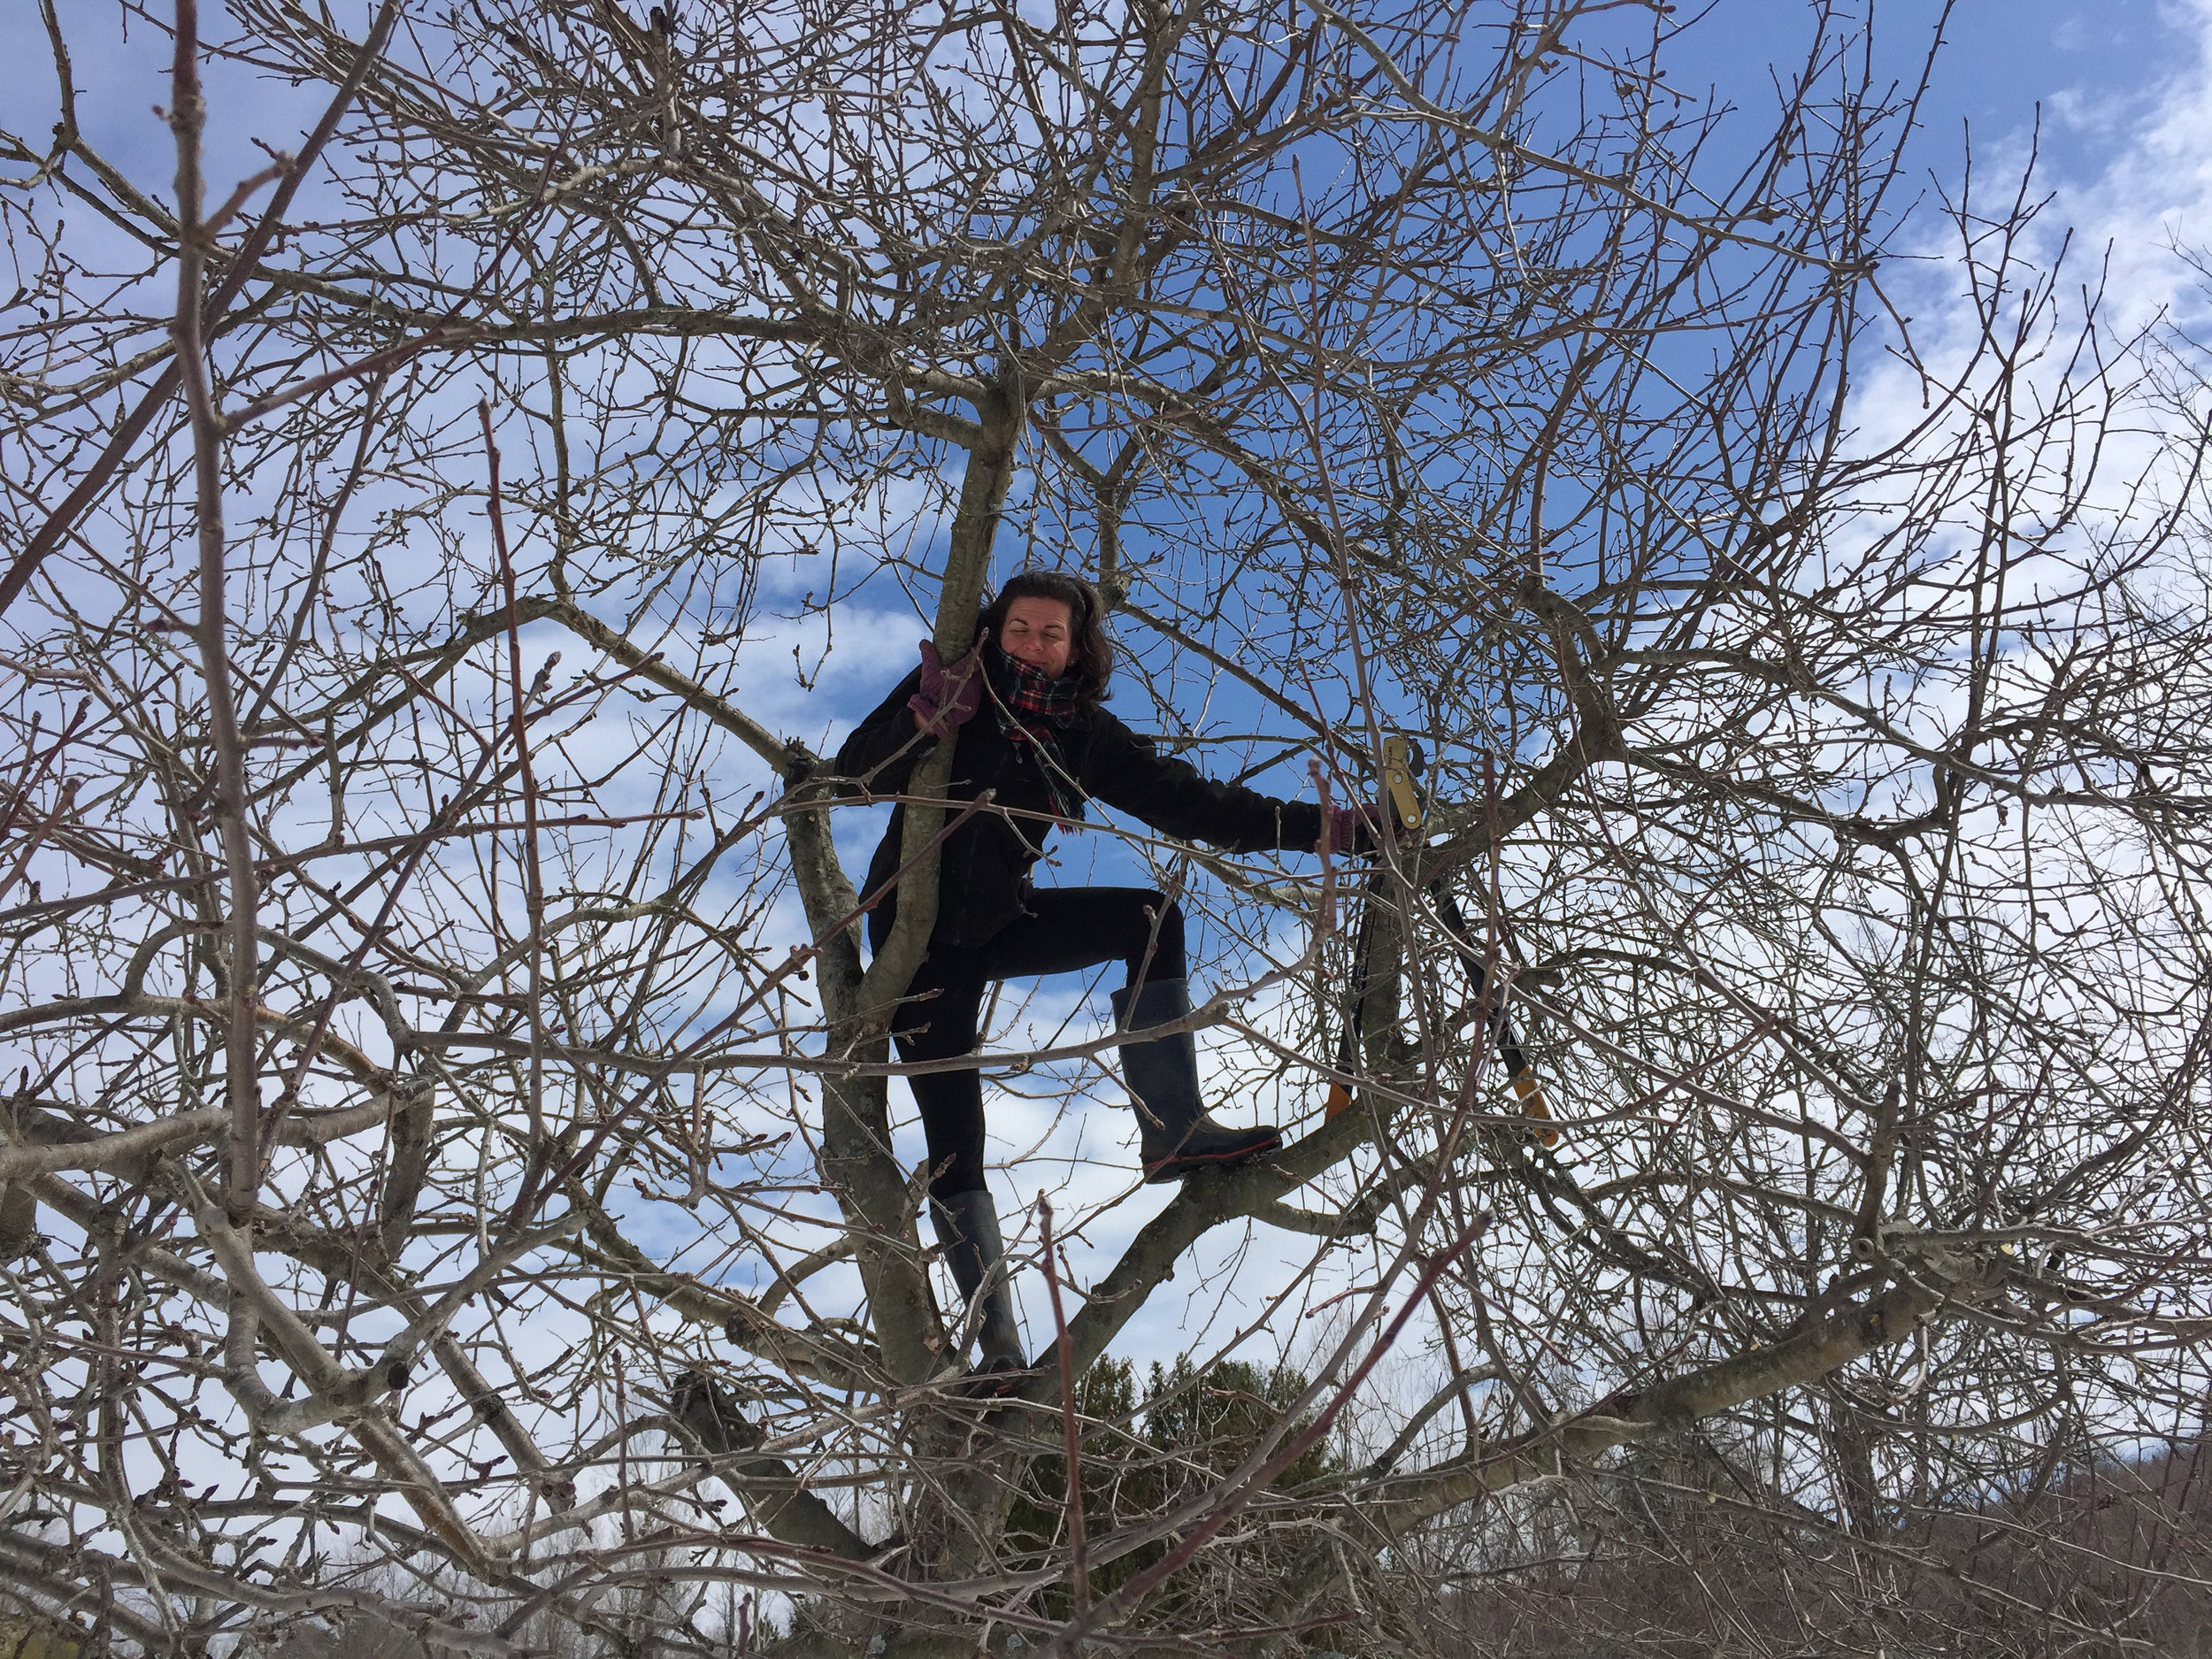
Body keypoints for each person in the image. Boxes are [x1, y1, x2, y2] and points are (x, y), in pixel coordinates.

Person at [834, 569, 1360, 1379]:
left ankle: (1174, 1129)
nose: (1033, 647)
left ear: (1077, 648)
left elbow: (1200, 807)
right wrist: (926, 715)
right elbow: (853, 777)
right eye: (1019, 630)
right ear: (991, 631)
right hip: (915, 941)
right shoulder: (951, 687)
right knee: (956, 1144)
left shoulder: (1078, 732)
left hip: (1000, 923)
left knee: (1150, 917)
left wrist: (1335, 829)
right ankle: (999, 1349)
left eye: (1051, 635)